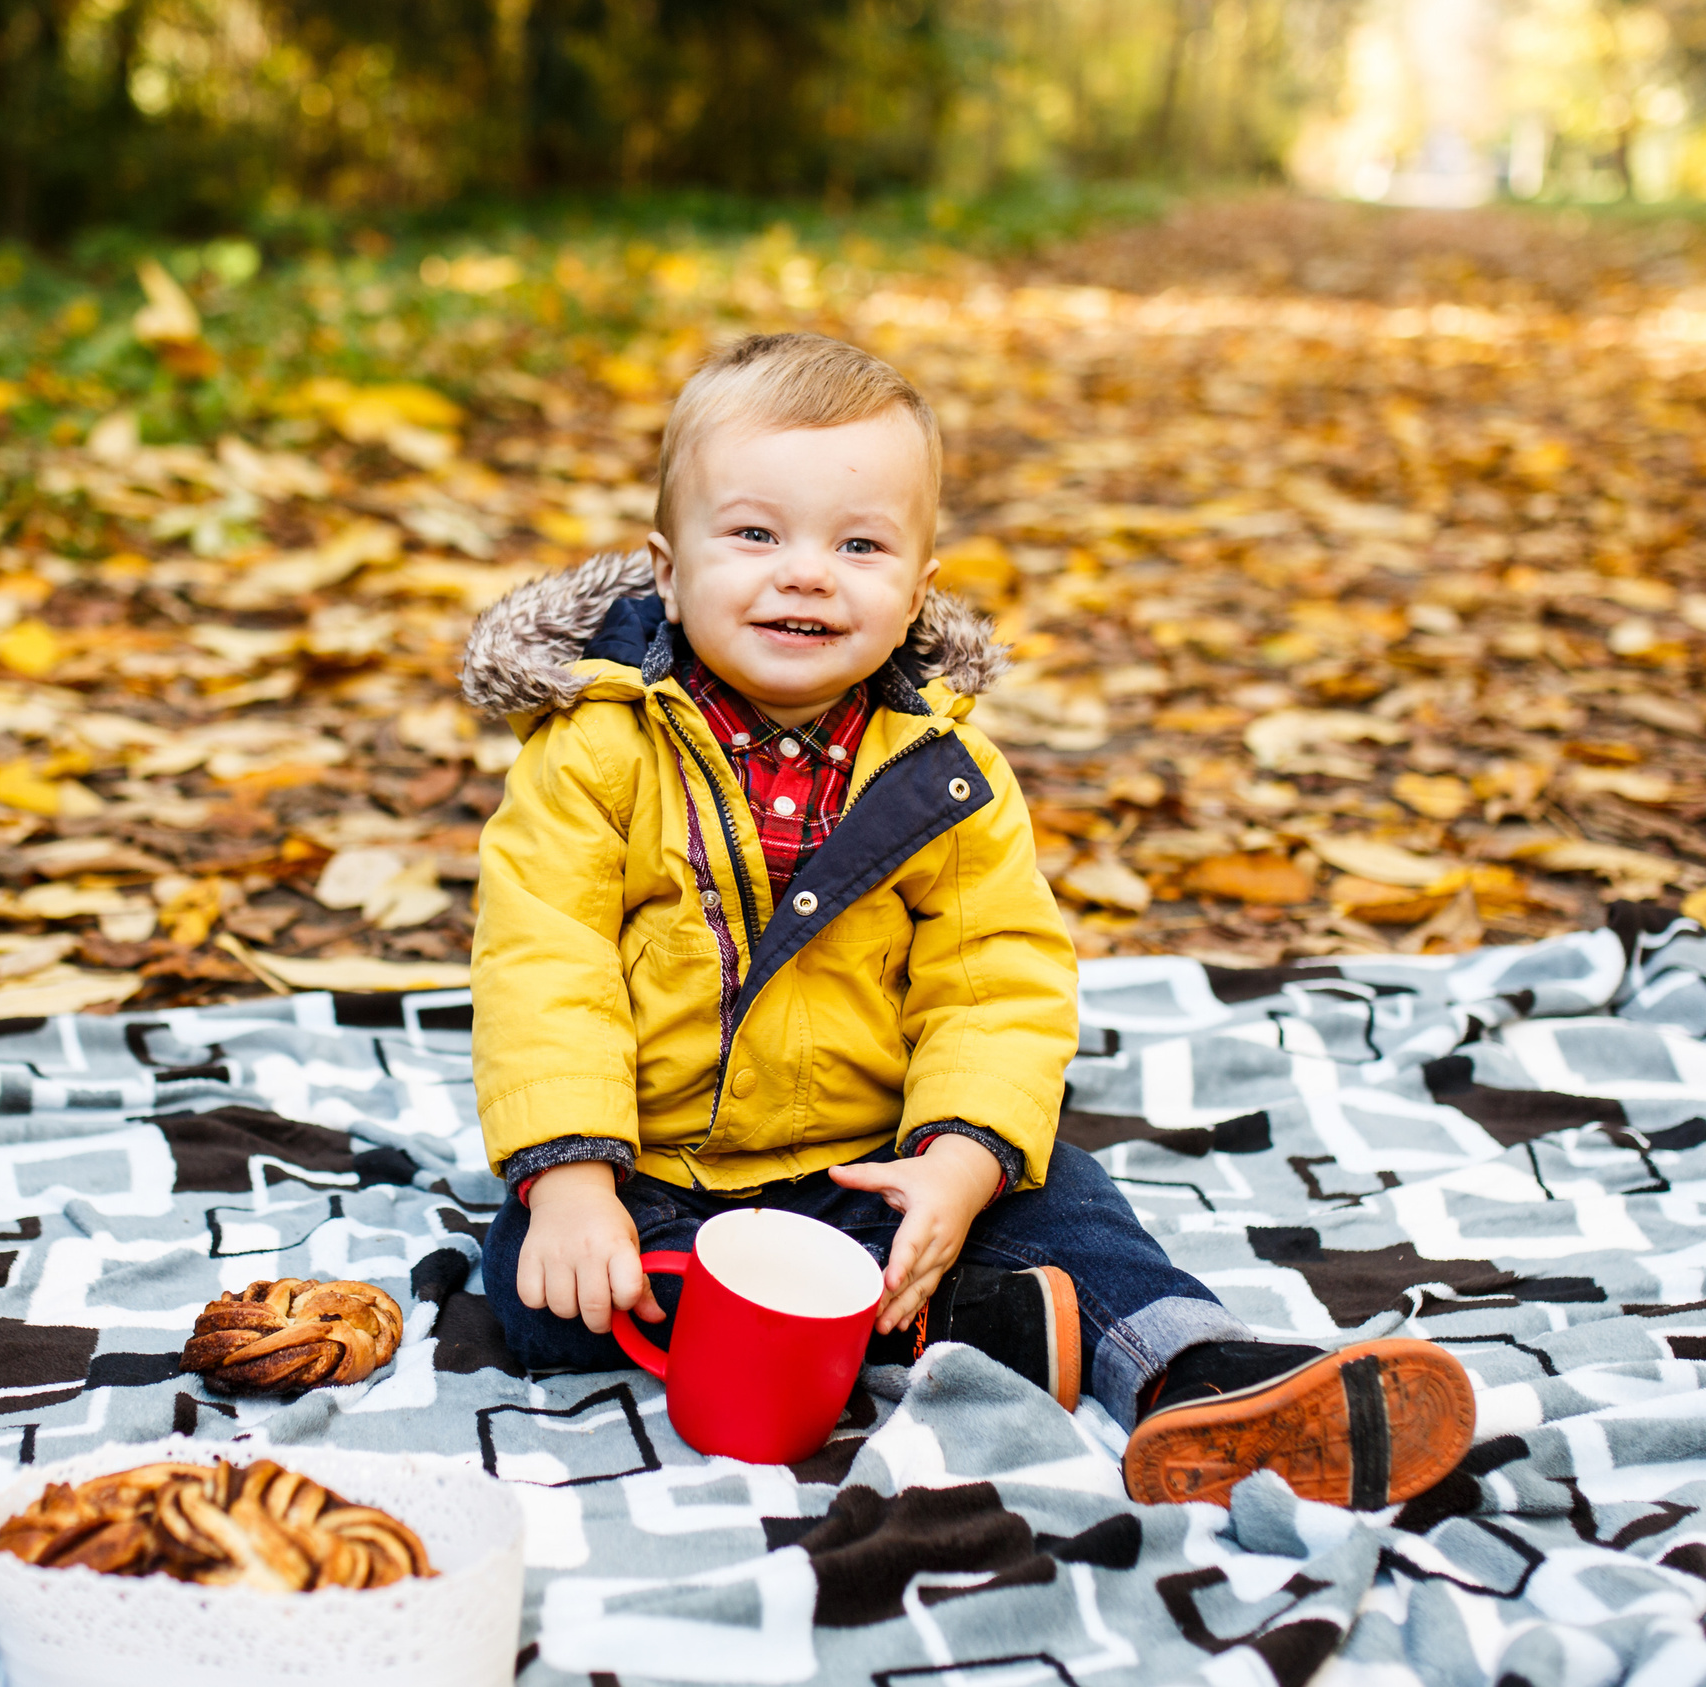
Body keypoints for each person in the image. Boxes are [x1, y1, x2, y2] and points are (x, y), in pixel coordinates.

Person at [459, 331, 1473, 1508]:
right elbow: (548, 958)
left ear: (918, 587)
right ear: (668, 569)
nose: (805, 573)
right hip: (660, 1170)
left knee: (1067, 1197)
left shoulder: (946, 771)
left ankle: (1200, 1374)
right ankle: (965, 1322)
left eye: (858, 544)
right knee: (539, 1292)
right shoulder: (594, 753)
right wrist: (573, 1176)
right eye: (754, 534)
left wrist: (958, 1157)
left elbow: (995, 973)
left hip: (869, 1167)